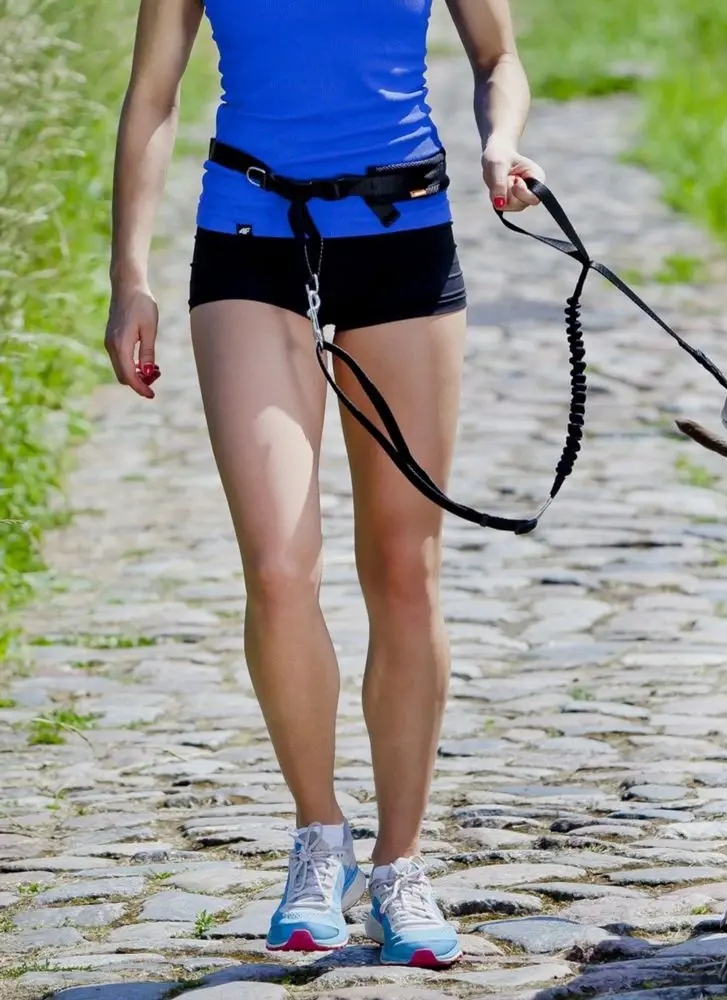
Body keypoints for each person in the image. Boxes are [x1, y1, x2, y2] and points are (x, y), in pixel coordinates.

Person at [104, 0, 544, 967]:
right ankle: (318, 837)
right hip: (248, 234)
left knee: (404, 569)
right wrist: (129, 277)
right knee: (277, 567)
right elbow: (153, 96)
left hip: (404, 232)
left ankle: (400, 864)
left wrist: (500, 142)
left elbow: (497, 58)